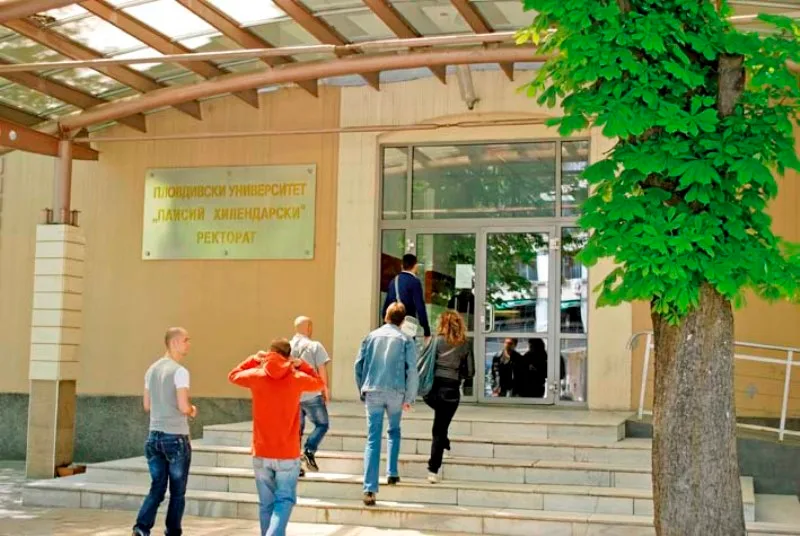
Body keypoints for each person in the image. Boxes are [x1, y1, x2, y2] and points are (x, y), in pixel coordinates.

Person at [228, 339, 324, 536]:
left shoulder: (256, 375)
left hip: (261, 450)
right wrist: (302, 364)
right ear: (288, 356)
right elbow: (320, 383)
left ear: (269, 353)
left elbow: (233, 375)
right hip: (287, 452)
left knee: (266, 504)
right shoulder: (296, 377)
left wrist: (253, 360)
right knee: (285, 500)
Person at [132, 327, 196, 536]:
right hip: (175, 437)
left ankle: (141, 528)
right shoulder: (180, 371)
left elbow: (147, 405)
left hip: (154, 436)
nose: (188, 344)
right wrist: (192, 410)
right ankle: (173, 531)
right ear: (175, 342)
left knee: (157, 487)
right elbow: (183, 406)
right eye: (186, 340)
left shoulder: (151, 370)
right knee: (177, 491)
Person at [354, 302, 419, 507]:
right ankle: (392, 471)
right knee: (394, 430)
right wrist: (409, 398)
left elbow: (358, 365)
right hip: (396, 391)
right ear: (403, 320)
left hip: (373, 390)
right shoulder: (406, 339)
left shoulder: (370, 336)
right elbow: (412, 370)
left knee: (372, 439)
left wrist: (362, 388)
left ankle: (369, 489)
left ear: (385, 316)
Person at [424, 311, 474, 483]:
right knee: (440, 428)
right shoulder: (465, 344)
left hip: (433, 389)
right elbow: (470, 372)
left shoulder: (436, 341)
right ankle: (433, 469)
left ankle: (435, 464)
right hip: (452, 390)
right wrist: (458, 374)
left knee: (439, 427)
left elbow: (428, 363)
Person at [290, 316, 331, 476]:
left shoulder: (287, 347)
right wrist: (325, 390)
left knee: (296, 432)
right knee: (322, 424)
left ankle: (296, 466)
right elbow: (321, 369)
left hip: (293, 395)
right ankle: (309, 449)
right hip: (312, 393)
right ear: (309, 328)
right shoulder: (315, 346)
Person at [381, 253, 431, 343]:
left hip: (393, 326)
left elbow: (386, 307)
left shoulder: (393, 281)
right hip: (407, 326)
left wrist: (386, 324)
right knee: (407, 348)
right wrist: (426, 330)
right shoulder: (415, 282)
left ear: (402, 266)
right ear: (415, 266)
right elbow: (420, 307)